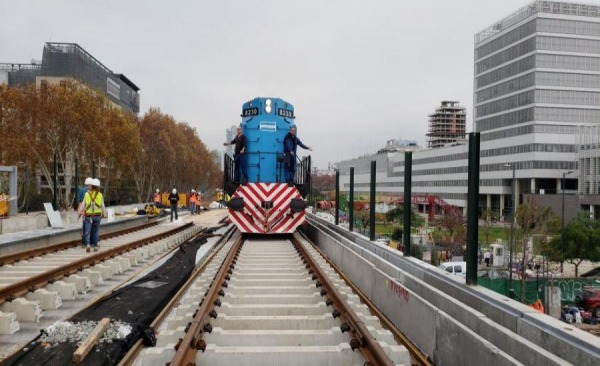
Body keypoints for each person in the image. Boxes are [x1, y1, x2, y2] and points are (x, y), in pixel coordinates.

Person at [78, 178, 106, 252]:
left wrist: (79, 213)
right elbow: (103, 205)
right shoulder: (100, 195)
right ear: (98, 187)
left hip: (89, 216)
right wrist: (104, 213)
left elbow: (83, 205)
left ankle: (87, 244)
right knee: (96, 231)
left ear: (91, 186)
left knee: (87, 231)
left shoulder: (87, 194)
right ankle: (96, 245)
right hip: (97, 216)